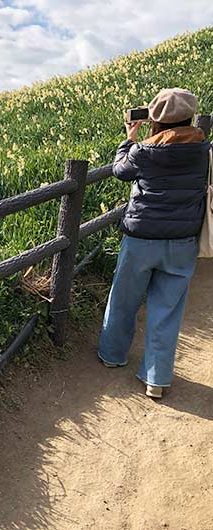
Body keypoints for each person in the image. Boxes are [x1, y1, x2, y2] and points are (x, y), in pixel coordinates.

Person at [97, 87, 210, 398]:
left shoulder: (144, 151)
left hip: (141, 238)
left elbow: (120, 171)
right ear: (190, 117)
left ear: (153, 120)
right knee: (167, 309)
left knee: (124, 299)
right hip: (182, 241)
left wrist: (129, 138)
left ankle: (112, 355)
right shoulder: (204, 149)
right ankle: (157, 379)